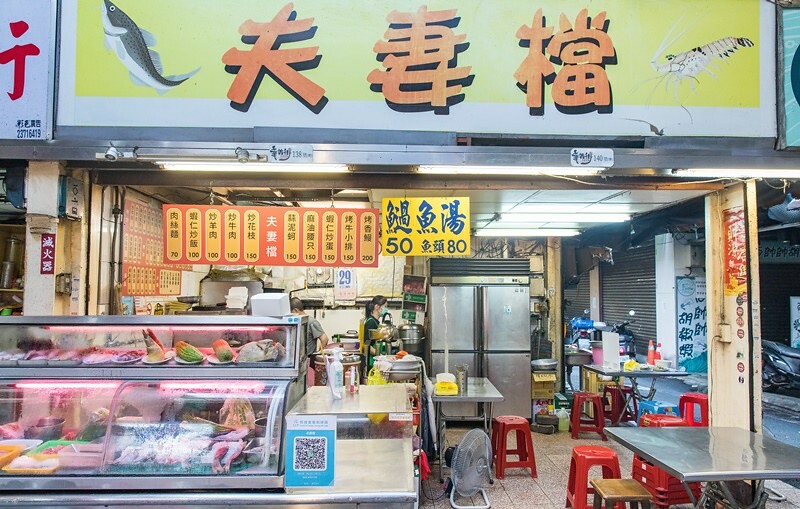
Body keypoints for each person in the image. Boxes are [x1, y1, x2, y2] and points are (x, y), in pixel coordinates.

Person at [361, 295, 388, 371]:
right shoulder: (371, 322)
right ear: (377, 307)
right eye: (385, 307)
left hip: (375, 360)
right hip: (370, 362)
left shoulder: (375, 322)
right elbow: (366, 345)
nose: (386, 309)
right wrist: (380, 355)